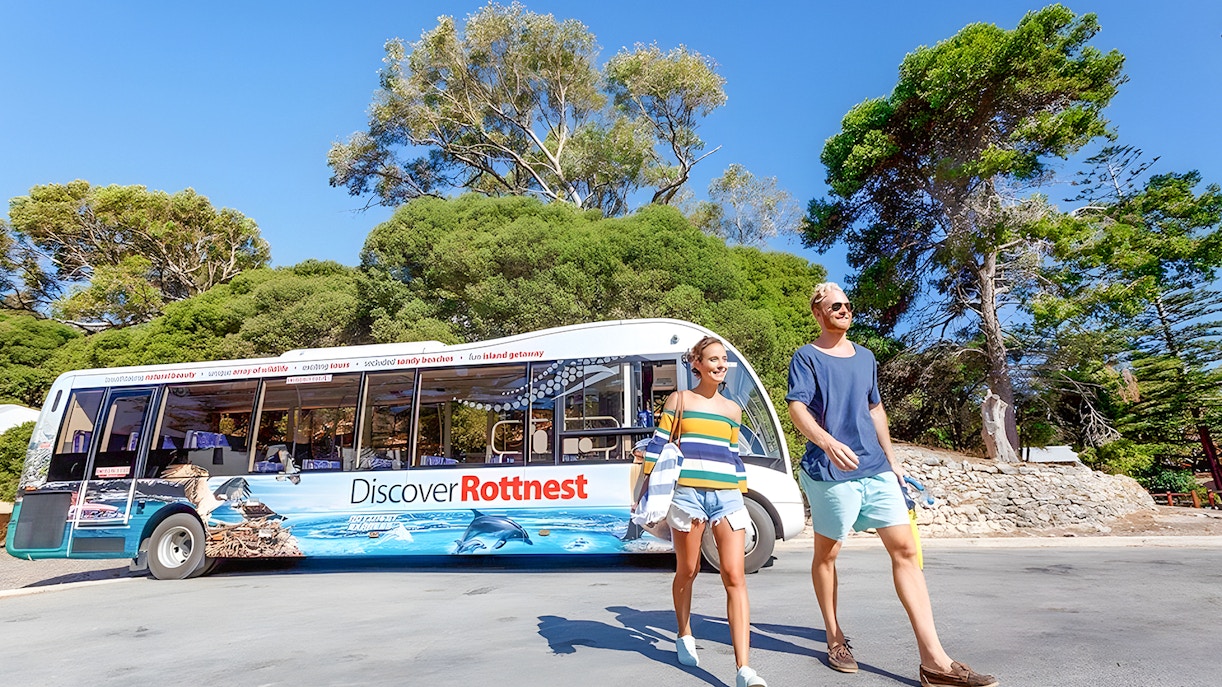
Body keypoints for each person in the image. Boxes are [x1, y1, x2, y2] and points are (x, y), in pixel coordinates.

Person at [786, 282, 998, 687]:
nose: (844, 310)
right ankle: (834, 638)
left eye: (848, 305)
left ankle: (934, 662)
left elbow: (875, 407)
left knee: (905, 550)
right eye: (835, 306)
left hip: (876, 467)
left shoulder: (865, 357)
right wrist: (826, 442)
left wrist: (893, 460)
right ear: (818, 312)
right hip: (830, 471)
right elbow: (797, 407)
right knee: (827, 556)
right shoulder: (806, 357)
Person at [642, 336, 766, 687]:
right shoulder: (679, 400)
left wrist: (740, 493)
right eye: (713, 359)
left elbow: (733, 454)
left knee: (734, 576)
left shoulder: (733, 410)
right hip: (688, 497)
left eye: (724, 359)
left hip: (727, 497)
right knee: (689, 569)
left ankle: (744, 669)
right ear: (696, 363)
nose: (720, 364)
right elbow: (659, 443)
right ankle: (684, 632)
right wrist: (648, 490)